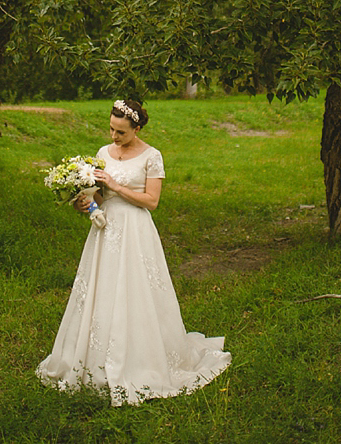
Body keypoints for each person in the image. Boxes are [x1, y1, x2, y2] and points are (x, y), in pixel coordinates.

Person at [36, 98, 231, 406]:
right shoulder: (103, 153)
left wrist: (115, 184)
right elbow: (100, 195)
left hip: (136, 230)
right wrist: (87, 201)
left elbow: (151, 201)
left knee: (135, 290)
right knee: (102, 289)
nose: (114, 137)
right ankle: (91, 359)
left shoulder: (152, 157)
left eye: (122, 132)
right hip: (105, 230)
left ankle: (141, 360)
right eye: (112, 129)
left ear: (137, 129)